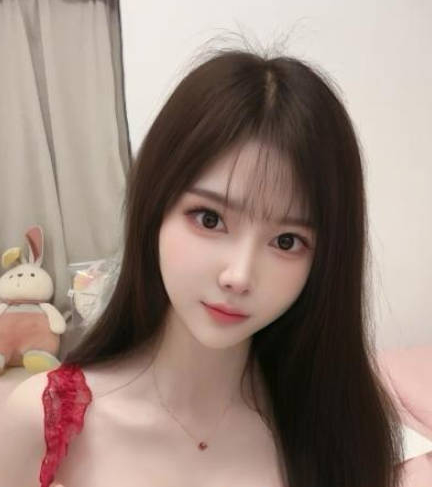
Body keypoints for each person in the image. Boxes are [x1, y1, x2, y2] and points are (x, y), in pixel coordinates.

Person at [0, 45, 406, 487]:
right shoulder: (39, 420)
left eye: (286, 241)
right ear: (155, 208)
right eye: (210, 219)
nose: (239, 276)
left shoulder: (340, 429)